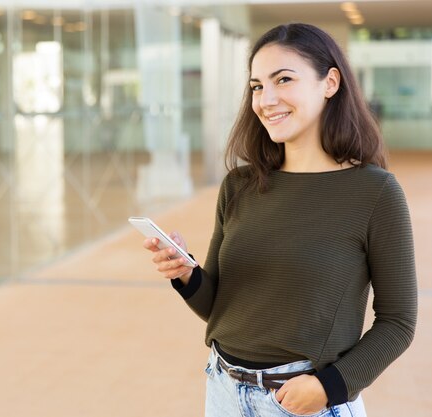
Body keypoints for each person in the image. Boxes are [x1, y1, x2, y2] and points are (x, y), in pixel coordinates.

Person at [142, 23, 416, 417]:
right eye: (256, 86)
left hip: (307, 402)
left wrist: (329, 387)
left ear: (330, 82)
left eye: (283, 79)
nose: (266, 99)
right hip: (222, 390)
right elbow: (221, 306)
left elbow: (399, 322)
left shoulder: (374, 192)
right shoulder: (239, 185)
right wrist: (185, 274)